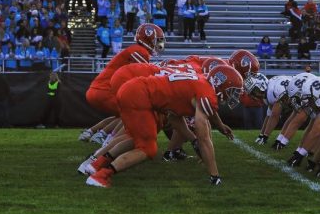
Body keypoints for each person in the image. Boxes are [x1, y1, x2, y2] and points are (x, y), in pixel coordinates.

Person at [86, 65, 242, 188]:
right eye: (232, 91)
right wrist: (214, 175)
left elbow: (175, 117)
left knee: (139, 137)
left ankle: (96, 165)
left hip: (135, 90)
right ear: (221, 84)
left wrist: (220, 126)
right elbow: (204, 139)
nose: (233, 96)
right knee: (148, 148)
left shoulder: (201, 83)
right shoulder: (207, 94)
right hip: (139, 96)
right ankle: (101, 176)